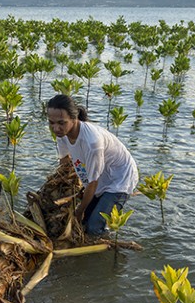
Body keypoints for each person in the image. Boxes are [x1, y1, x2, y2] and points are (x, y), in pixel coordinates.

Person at [47, 93, 138, 236]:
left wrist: (79, 211)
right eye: (51, 122)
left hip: (119, 179)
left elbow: (93, 183)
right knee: (83, 225)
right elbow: (64, 162)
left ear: (74, 118)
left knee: (94, 228)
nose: (56, 128)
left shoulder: (92, 142)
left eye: (61, 122)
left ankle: (107, 246)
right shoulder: (62, 134)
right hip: (98, 177)